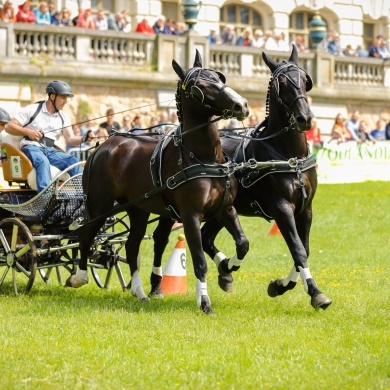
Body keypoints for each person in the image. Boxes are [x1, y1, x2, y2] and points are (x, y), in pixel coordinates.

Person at [5, 80, 93, 193]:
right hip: (31, 147)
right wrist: (28, 132)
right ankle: (45, 200)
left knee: (73, 161)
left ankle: (83, 196)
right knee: (43, 161)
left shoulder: (63, 117)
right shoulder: (33, 109)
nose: (66, 101)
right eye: (63, 97)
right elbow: (9, 127)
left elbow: (70, 139)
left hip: (50, 150)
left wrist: (83, 138)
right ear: (52, 96)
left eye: (67, 98)